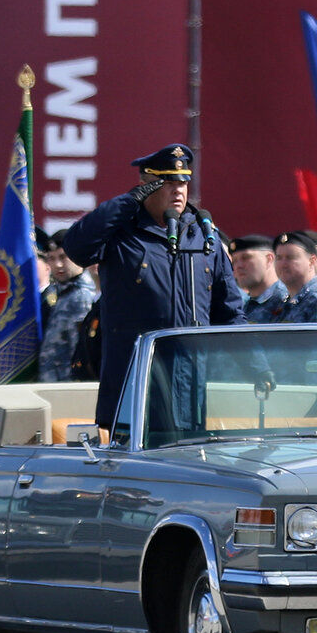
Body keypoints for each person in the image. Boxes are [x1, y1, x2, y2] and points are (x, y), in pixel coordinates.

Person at [63, 144, 246, 428]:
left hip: (190, 387)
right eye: (168, 183)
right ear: (146, 186)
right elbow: (77, 246)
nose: (179, 191)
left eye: (184, 182)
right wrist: (127, 203)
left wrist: (258, 368)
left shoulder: (203, 237)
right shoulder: (121, 234)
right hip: (135, 385)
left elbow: (230, 312)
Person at [37, 228, 96, 382]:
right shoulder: (57, 294)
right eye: (51, 258)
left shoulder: (82, 297)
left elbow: (83, 350)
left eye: (63, 257)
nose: (57, 265)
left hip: (69, 385)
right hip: (51, 382)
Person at [274, 230, 317, 323]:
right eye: (279, 258)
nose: (283, 264)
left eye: (290, 257)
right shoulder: (285, 301)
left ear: (311, 261)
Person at [230, 235, 287, 324]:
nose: (238, 266)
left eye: (246, 258)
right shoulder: (244, 305)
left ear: (269, 259)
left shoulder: (285, 301)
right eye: (234, 261)